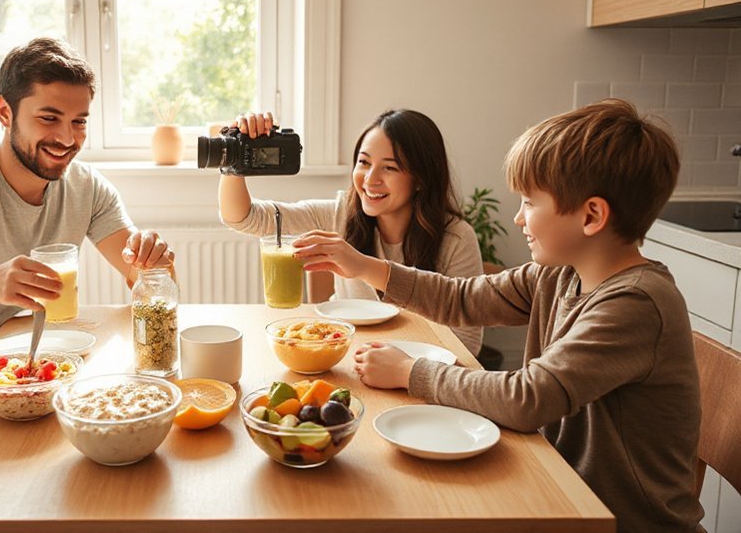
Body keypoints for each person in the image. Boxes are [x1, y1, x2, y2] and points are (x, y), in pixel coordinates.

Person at [296, 99, 702, 532]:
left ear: (592, 216)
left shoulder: (635, 304)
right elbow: (462, 298)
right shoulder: (558, 275)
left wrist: (412, 372)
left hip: (621, 522)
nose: (518, 217)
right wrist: (366, 266)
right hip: (563, 493)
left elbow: (529, 399)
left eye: (529, 202)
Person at [0, 37, 175, 425]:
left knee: (124, 412)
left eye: (79, 121)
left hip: (32, 360)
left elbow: (144, 276)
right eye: (48, 118)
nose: (68, 139)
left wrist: (152, 264)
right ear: (5, 112)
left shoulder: (86, 187)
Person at [220, 110, 484, 354]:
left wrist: (402, 367)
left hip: (421, 375)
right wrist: (234, 157)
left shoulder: (456, 239)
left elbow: (467, 344)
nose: (370, 179)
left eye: (389, 167)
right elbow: (244, 218)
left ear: (421, 179)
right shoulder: (339, 214)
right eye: (364, 162)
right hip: (347, 362)